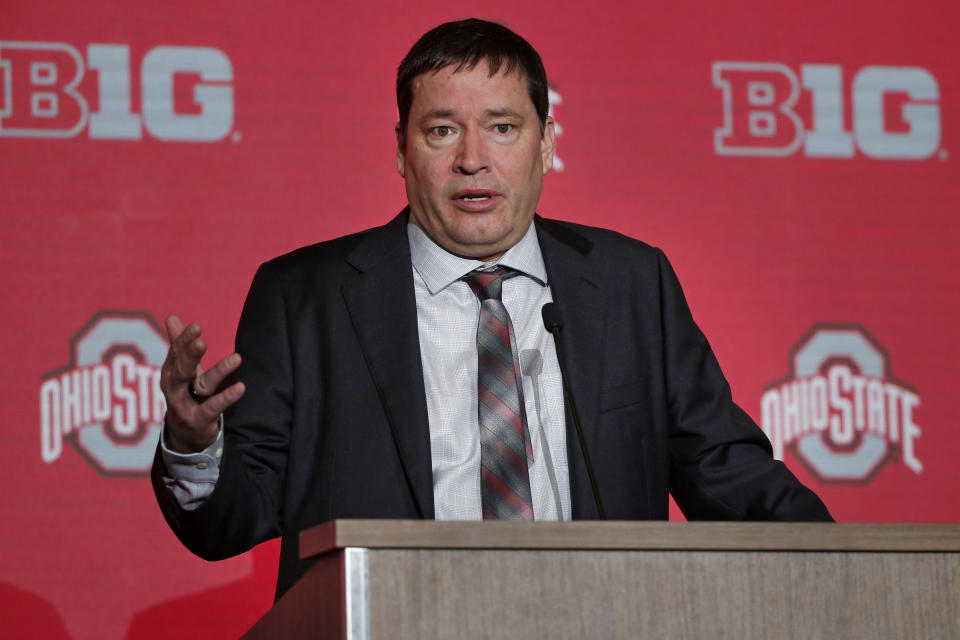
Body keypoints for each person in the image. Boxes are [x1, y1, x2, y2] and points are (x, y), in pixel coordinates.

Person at [153, 18, 832, 601]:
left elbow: (729, 474)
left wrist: (855, 568)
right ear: (400, 149)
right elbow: (229, 523)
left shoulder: (630, 284)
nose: (473, 160)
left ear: (547, 143)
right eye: (442, 130)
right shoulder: (305, 297)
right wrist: (194, 445)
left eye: (503, 128)